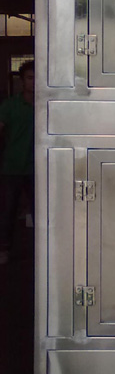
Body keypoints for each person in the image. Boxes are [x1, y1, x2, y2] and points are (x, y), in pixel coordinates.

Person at [0, 60, 34, 264]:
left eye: (37, 78)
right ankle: (4, 249)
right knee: (8, 211)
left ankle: (45, 251)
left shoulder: (46, 105)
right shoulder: (10, 105)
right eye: (29, 78)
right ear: (22, 81)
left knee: (42, 211)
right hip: (12, 166)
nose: (34, 82)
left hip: (38, 168)